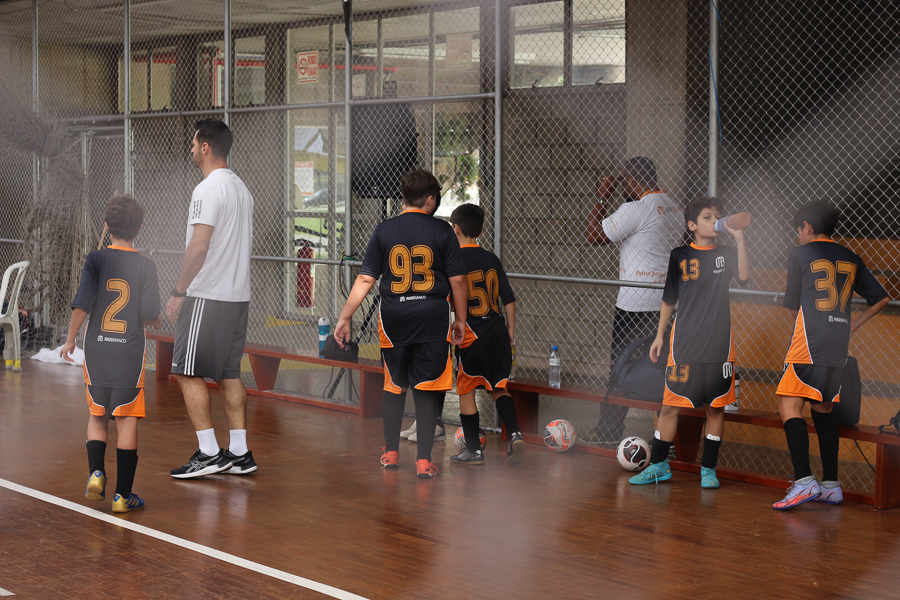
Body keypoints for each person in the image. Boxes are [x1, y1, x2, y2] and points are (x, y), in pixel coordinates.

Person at [334, 170, 468, 479]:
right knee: (427, 387)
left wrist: (345, 316)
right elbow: (459, 281)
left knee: (394, 384)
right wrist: (460, 319)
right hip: (432, 320)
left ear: (404, 197)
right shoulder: (443, 230)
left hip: (394, 319)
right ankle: (423, 461)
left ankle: (391, 454)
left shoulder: (384, 230)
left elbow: (366, 278)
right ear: (431, 199)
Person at [772, 201, 888, 510]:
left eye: (798, 231)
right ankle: (832, 486)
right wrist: (854, 324)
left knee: (789, 406)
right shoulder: (851, 257)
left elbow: (792, 307)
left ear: (807, 227)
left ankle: (804, 482)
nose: (798, 237)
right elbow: (881, 298)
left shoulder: (799, 254)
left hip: (809, 342)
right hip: (838, 345)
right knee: (823, 410)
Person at [630, 196, 750, 488]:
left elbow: (745, 277)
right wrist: (660, 336)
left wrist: (739, 238)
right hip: (684, 345)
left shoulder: (726, 253)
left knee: (715, 409)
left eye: (717, 216)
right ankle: (659, 466)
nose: (715, 221)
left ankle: (708, 469)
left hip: (719, 346)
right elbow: (669, 298)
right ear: (692, 225)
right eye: (708, 217)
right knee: (669, 406)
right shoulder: (679, 255)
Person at [166, 118, 257, 479]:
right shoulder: (242, 189)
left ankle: (208, 453)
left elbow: (198, 246)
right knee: (228, 373)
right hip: (237, 298)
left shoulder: (207, 189)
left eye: (193, 144)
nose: (191, 149)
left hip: (207, 295)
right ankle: (240, 452)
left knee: (187, 372)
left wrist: (179, 291)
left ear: (205, 147)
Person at [61, 195, 162, 512]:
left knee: (97, 414)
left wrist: (70, 340)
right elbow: (150, 315)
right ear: (140, 227)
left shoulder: (95, 259)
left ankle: (96, 473)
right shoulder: (146, 265)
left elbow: (83, 303)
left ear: (106, 226)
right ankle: (122, 496)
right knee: (127, 419)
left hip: (97, 349)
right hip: (128, 352)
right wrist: (160, 320)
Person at [586, 157, 683, 442]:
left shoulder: (635, 208)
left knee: (620, 367)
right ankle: (666, 437)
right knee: (664, 368)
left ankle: (609, 431)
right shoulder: (674, 207)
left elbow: (594, 235)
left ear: (630, 179)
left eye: (622, 180)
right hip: (667, 304)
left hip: (634, 306)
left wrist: (603, 195)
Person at [447, 203, 524, 465]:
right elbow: (509, 298)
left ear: (455, 229)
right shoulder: (492, 259)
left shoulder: (453, 260)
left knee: (466, 390)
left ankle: (473, 450)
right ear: (480, 231)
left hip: (472, 333)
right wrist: (510, 329)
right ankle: (515, 433)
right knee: (498, 387)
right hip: (498, 330)